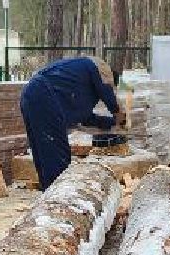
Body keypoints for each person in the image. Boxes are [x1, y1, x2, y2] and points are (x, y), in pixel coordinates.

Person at [19, 55, 124, 189]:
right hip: (44, 95)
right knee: (58, 157)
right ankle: (60, 196)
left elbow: (85, 118)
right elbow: (111, 98)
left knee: (44, 154)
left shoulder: (78, 85)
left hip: (30, 94)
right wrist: (122, 119)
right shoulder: (101, 68)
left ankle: (48, 192)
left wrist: (111, 123)